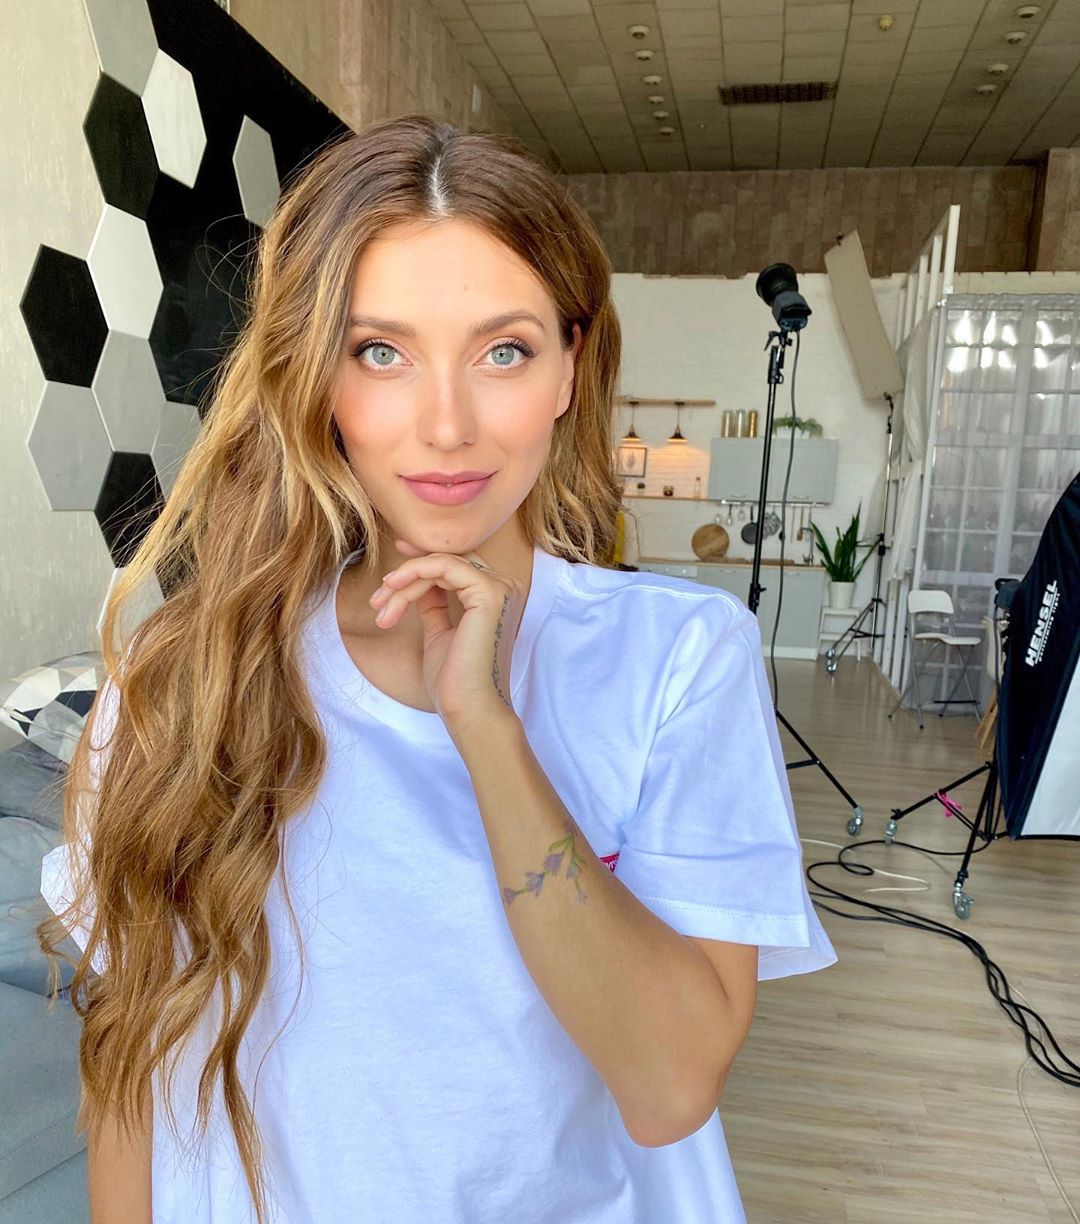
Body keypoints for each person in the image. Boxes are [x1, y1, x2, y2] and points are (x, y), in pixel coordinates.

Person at [38, 114, 837, 1224]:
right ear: (316, 378)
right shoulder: (184, 681)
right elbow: (128, 1065)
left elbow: (669, 1087)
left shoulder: (677, 659)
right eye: (381, 352)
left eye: (504, 350)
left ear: (569, 369)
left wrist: (488, 730)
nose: (447, 425)